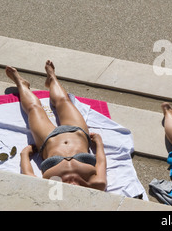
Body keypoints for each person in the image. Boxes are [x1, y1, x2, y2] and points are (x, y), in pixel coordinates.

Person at [6, 61, 107, 191]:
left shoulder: (53, 189)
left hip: (48, 139)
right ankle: (52, 78)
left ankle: (21, 83)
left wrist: (24, 154)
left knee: (34, 108)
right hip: (77, 132)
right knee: (63, 101)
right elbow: (101, 162)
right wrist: (99, 144)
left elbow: (29, 177)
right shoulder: (97, 184)